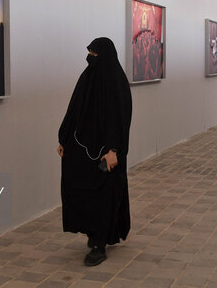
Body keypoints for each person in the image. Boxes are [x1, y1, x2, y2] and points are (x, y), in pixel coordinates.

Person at [57, 37, 132, 266]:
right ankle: (92, 233)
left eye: (95, 53)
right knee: (78, 188)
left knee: (103, 195)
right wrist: (64, 138)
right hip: (81, 147)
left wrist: (114, 150)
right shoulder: (87, 77)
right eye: (89, 52)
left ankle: (100, 243)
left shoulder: (116, 82)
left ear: (105, 55)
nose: (90, 57)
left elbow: (119, 118)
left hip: (105, 152)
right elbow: (74, 108)